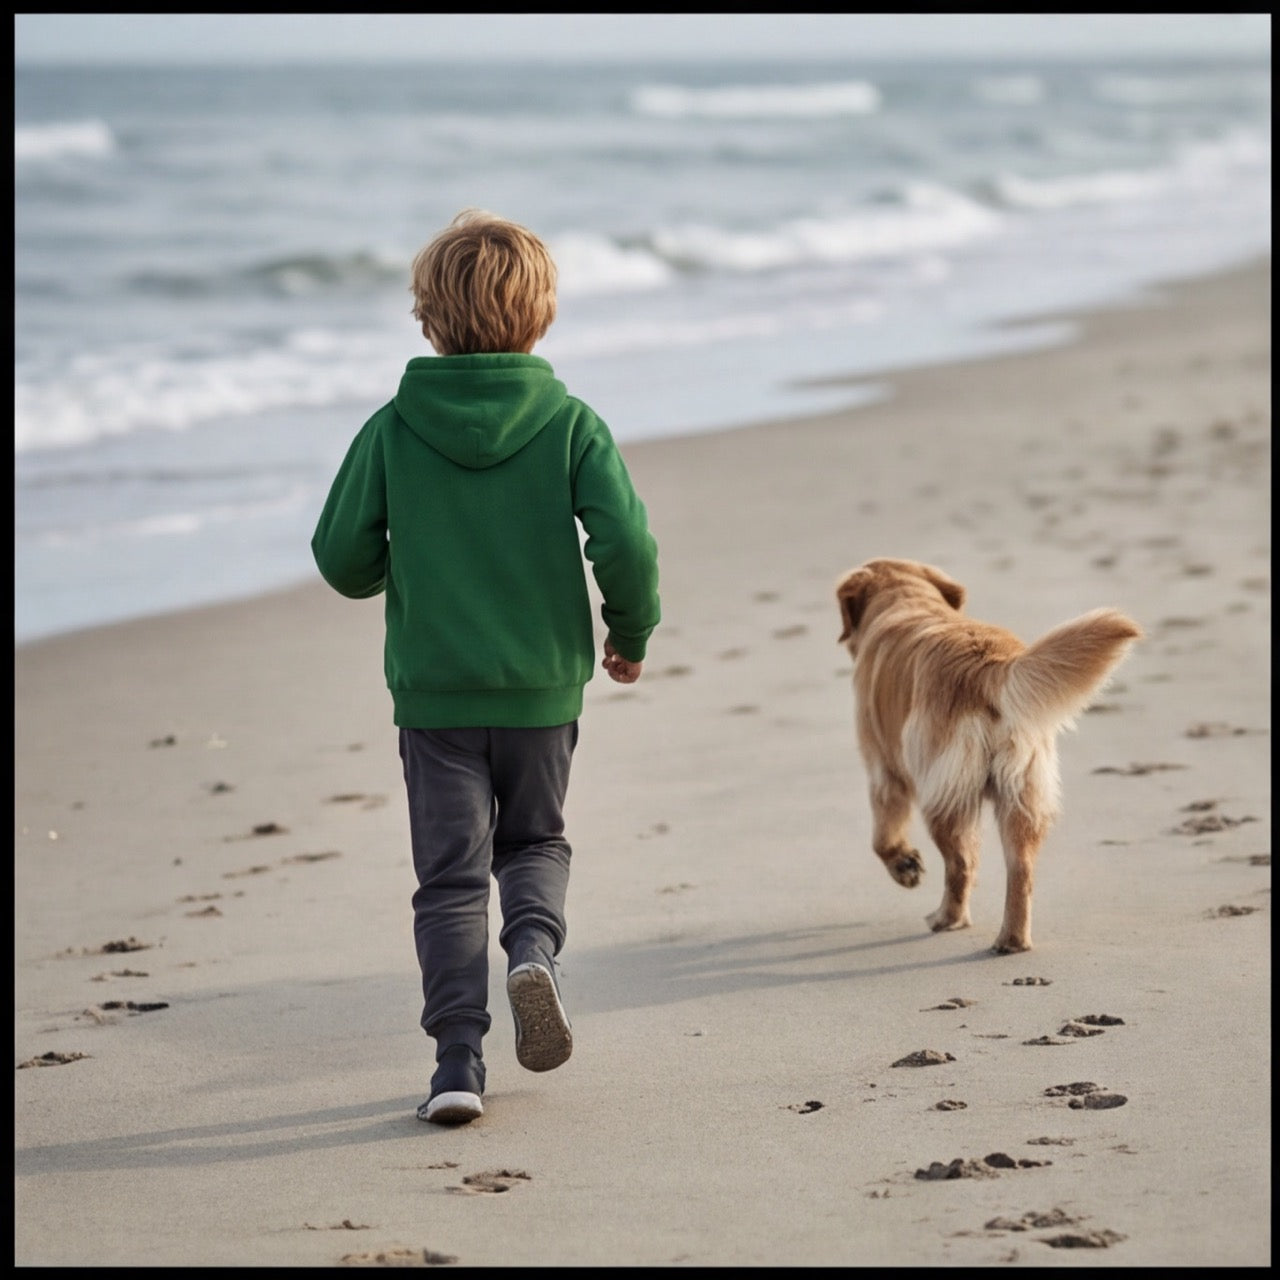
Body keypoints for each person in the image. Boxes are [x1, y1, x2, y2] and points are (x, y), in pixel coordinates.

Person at [311, 208, 661, 1126]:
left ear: (429, 316)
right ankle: (534, 954)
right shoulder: (570, 422)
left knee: (451, 877)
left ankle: (457, 1062)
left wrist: (405, 559)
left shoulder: (393, 427)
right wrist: (629, 632)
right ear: (540, 315)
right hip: (542, 689)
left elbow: (343, 559)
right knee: (535, 843)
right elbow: (625, 540)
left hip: (435, 695)